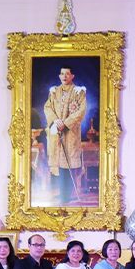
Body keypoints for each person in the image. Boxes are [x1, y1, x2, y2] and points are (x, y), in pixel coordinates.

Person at [43, 64, 87, 203]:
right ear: (59, 76)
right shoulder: (54, 91)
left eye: (67, 74)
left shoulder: (79, 92)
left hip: (70, 134)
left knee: (69, 163)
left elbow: (81, 111)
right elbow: (47, 107)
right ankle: (63, 193)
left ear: (72, 76)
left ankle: (67, 195)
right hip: (57, 132)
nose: (64, 76)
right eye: (62, 74)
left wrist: (66, 123)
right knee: (59, 163)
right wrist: (55, 120)